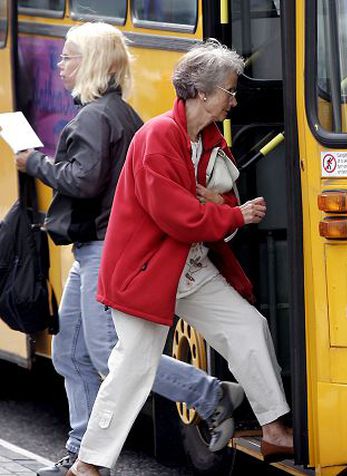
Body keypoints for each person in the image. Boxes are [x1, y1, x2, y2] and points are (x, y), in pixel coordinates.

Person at [14, 23, 245, 476]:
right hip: (93, 247)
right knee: (70, 354)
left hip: (104, 247)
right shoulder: (117, 113)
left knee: (106, 355)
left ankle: (211, 393)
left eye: (68, 57)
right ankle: (81, 448)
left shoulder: (97, 117)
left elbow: (84, 180)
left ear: (92, 64)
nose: (60, 65)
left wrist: (34, 162)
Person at [66, 39, 293, 476]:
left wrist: (222, 207)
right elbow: (179, 217)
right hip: (146, 272)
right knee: (131, 368)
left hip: (184, 267)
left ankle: (274, 429)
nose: (233, 99)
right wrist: (232, 214)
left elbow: (217, 199)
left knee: (248, 327)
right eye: (229, 90)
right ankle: (88, 465)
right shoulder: (158, 137)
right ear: (202, 94)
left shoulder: (205, 138)